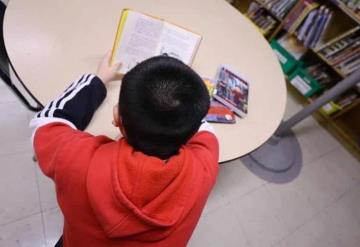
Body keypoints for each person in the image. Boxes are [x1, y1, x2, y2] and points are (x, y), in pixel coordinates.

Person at [30, 52, 219, 247]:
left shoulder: (76, 161)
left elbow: (46, 122)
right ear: (191, 135)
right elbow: (203, 127)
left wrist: (98, 80)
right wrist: (183, 95)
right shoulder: (205, 168)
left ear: (117, 118)